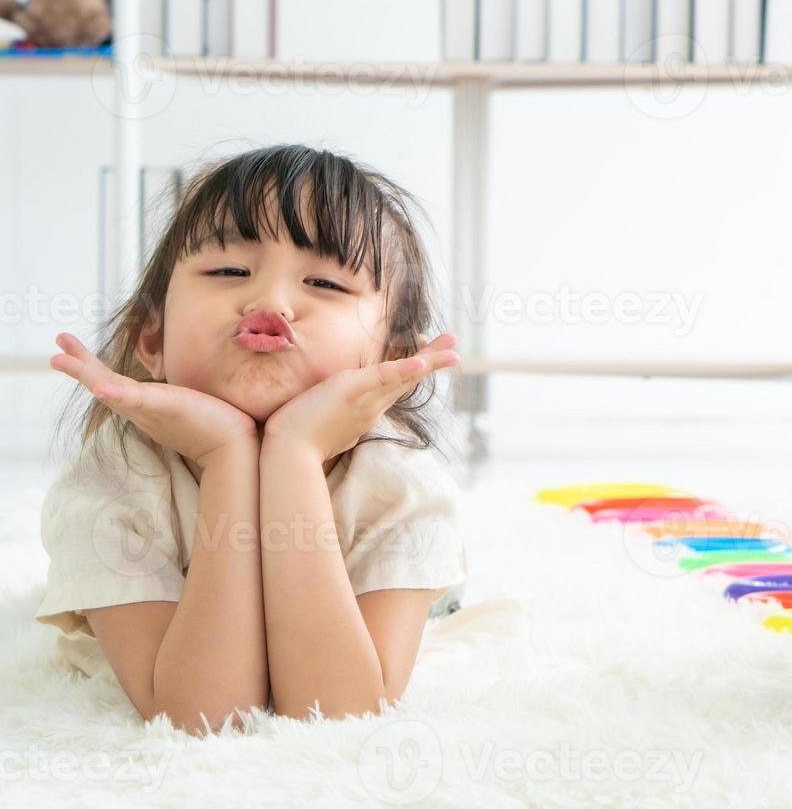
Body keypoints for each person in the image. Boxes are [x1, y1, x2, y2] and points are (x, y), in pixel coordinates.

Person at [36, 144, 468, 735]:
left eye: (324, 282)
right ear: (150, 339)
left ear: (390, 361)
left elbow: (340, 715)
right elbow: (203, 719)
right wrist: (227, 456)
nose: (269, 302)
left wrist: (293, 453)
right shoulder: (112, 482)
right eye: (229, 271)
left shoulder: (401, 486)